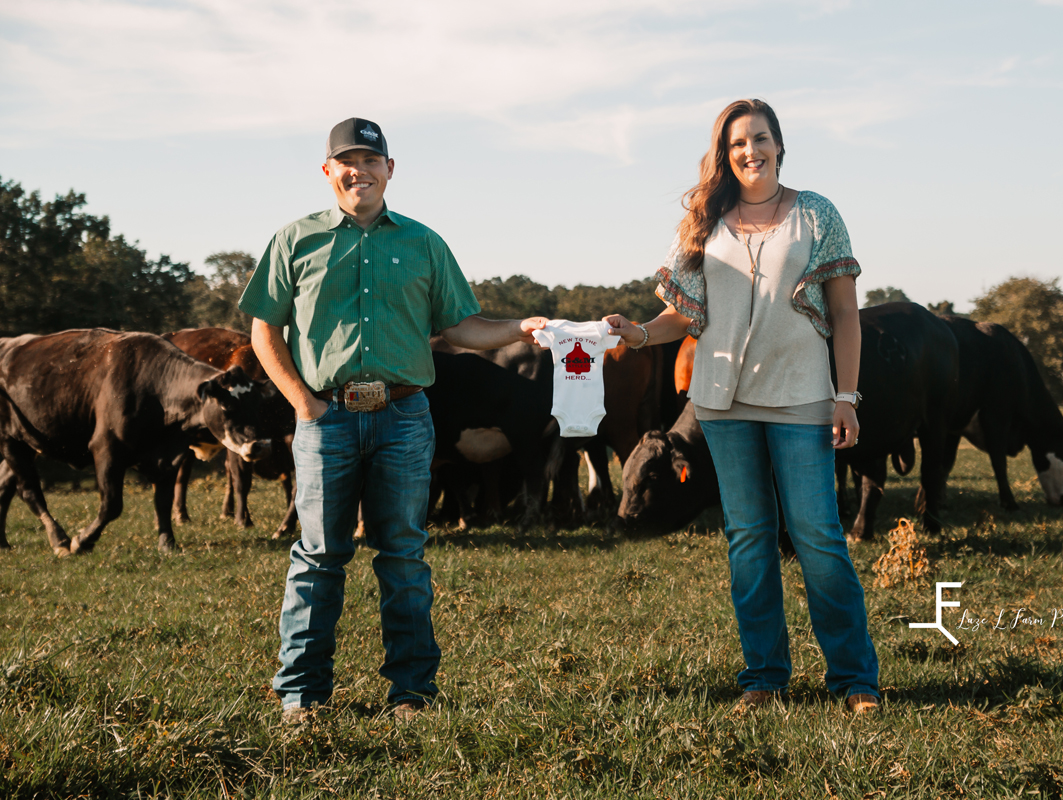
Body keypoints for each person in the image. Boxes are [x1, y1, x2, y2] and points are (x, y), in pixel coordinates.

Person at [239, 117, 546, 721]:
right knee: (320, 555)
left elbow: (460, 327)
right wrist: (304, 403)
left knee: (404, 554)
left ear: (390, 170)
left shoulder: (425, 242)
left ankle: (412, 692)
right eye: (346, 160)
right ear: (328, 171)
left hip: (404, 415)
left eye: (371, 160)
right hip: (325, 416)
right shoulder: (293, 241)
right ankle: (302, 694)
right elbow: (263, 330)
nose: (360, 170)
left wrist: (521, 327)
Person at [604, 99, 880, 713]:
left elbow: (844, 315)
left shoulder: (817, 214)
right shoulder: (707, 220)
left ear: (780, 145)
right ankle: (763, 678)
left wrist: (846, 397)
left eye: (759, 139)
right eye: (736, 144)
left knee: (818, 537)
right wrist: (641, 333)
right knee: (749, 540)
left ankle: (855, 679)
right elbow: (684, 314)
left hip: (802, 396)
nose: (749, 151)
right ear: (724, 154)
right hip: (722, 406)